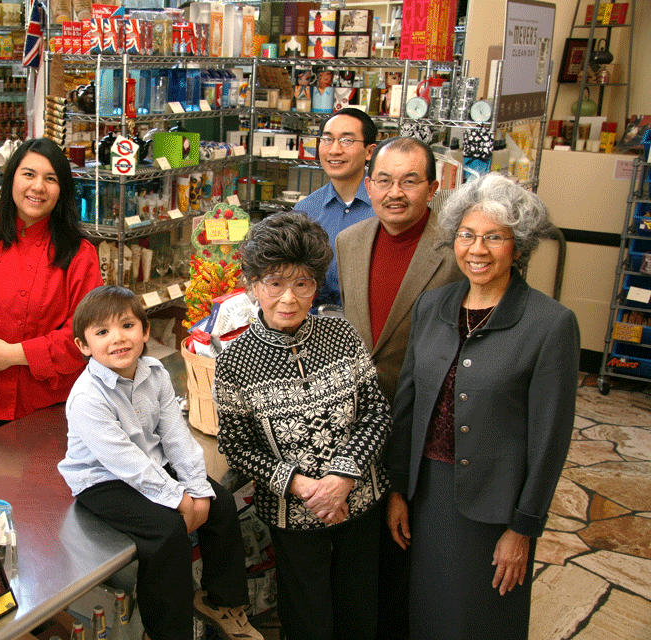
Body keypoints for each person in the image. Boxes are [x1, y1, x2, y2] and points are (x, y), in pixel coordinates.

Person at [386, 173, 580, 640]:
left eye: (495, 237)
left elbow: (550, 439)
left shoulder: (550, 324)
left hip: (496, 507)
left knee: (479, 620)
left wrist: (523, 529)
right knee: (425, 615)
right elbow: (408, 408)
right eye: (467, 235)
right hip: (427, 494)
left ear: (519, 246)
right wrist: (397, 489)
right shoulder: (433, 306)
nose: (477, 248)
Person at [214, 212, 392, 640]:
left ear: (316, 285)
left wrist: (342, 478)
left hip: (360, 502)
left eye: (303, 283)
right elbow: (237, 446)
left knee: (360, 611)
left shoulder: (342, 335)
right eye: (275, 283)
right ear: (254, 285)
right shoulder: (235, 361)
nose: (288, 298)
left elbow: (376, 412)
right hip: (293, 514)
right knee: (306, 618)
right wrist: (302, 486)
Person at [58, 286, 262, 640]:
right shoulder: (87, 398)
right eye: (102, 332)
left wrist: (198, 491)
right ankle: (167, 632)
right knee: (166, 532)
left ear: (145, 331)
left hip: (151, 463)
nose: (118, 339)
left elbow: (176, 438)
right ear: (83, 346)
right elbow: (126, 464)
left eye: (127, 326)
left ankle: (221, 601)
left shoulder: (155, 373)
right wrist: (181, 501)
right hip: (102, 480)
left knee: (221, 503)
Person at [336, 137, 464, 639]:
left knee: (408, 553)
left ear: (433, 187)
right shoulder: (350, 242)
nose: (395, 192)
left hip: (423, 427)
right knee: (360, 553)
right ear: (368, 185)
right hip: (356, 422)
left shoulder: (454, 252)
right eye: (384, 180)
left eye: (410, 181)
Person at [0, 138, 103, 432]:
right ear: (11, 177)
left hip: (51, 402)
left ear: (62, 190)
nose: (38, 187)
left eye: (50, 179)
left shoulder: (79, 253)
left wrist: (15, 355)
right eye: (28, 174)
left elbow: (87, 334)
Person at [294, 108, 378, 308]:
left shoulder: (383, 208)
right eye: (327, 139)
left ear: (369, 151)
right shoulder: (306, 210)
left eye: (347, 140)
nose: (334, 150)